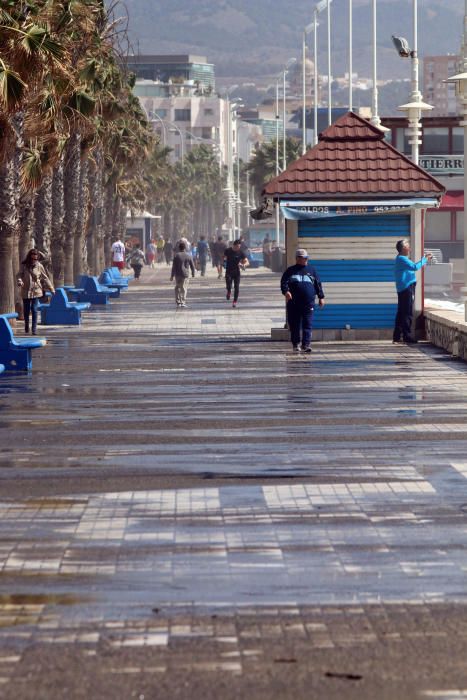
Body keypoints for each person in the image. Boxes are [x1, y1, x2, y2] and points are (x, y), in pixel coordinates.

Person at [280, 248, 325, 353]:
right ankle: (296, 344)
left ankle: (306, 344)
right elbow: (284, 282)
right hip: (294, 303)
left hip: (308, 303)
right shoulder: (290, 270)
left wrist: (321, 297)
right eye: (303, 258)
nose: (305, 260)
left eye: (306, 258)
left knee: (307, 324)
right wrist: (286, 291)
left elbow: (318, 284)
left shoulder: (311, 270)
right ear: (297, 258)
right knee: (294, 324)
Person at [393, 238, 432, 344]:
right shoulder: (402, 259)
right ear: (403, 248)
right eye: (407, 246)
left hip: (403, 288)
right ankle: (407, 336)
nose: (409, 248)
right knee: (407, 313)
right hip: (406, 289)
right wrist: (425, 259)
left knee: (401, 312)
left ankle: (397, 336)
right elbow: (414, 267)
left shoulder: (400, 258)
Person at [17, 248, 55, 334]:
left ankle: (34, 329)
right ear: (29, 257)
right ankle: (26, 325)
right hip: (25, 291)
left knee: (34, 309)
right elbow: (19, 275)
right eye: (32, 258)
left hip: (36, 291)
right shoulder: (24, 265)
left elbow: (45, 278)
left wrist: (52, 289)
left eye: (36, 258)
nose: (34, 260)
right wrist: (20, 281)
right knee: (26, 310)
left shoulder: (39, 266)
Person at [224, 239, 249, 308]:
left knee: (237, 287)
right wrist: (224, 262)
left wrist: (244, 265)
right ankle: (229, 291)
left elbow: (247, 261)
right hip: (228, 271)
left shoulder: (241, 252)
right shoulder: (227, 251)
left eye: (239, 246)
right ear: (234, 245)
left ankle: (234, 302)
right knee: (228, 284)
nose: (238, 248)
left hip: (237, 272)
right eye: (237, 246)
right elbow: (224, 258)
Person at [170, 241, 195, 308]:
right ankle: (183, 302)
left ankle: (178, 301)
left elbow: (173, 267)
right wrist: (193, 273)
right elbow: (192, 266)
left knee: (177, 287)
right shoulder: (189, 255)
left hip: (177, 274)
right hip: (185, 274)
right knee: (184, 288)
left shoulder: (176, 256)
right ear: (185, 248)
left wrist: (172, 276)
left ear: (179, 248)